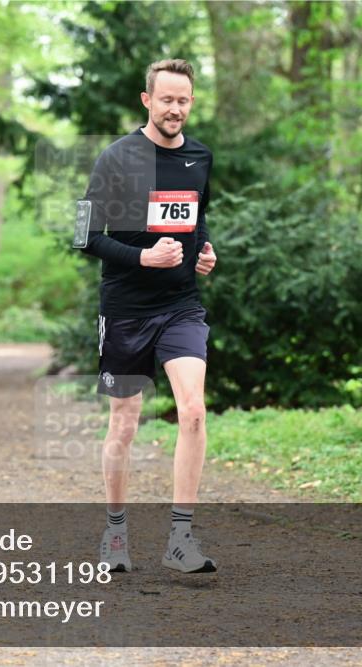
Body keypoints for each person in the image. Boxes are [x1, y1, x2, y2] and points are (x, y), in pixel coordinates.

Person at [78, 59, 218, 574]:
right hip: (126, 311)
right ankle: (115, 531)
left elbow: (196, 219)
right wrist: (142, 257)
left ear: (192, 103)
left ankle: (180, 537)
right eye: (166, 100)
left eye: (183, 100)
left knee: (194, 410)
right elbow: (84, 236)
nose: (175, 109)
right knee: (124, 423)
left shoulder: (200, 157)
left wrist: (205, 252)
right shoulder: (115, 158)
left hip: (181, 306)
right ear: (147, 100)